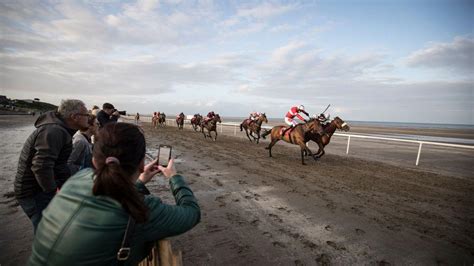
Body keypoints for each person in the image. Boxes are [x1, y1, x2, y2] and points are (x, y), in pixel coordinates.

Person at [29, 123, 201, 265]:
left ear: (95, 160)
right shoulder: (143, 209)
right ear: (141, 164)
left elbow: (113, 193)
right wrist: (174, 177)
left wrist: (139, 182)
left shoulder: (78, 179)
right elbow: (192, 213)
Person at [14, 99, 89, 232]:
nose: (88, 118)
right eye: (86, 114)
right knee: (47, 232)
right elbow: (41, 166)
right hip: (35, 191)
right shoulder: (54, 131)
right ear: (75, 117)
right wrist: (53, 191)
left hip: (40, 189)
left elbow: (58, 165)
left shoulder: (60, 129)